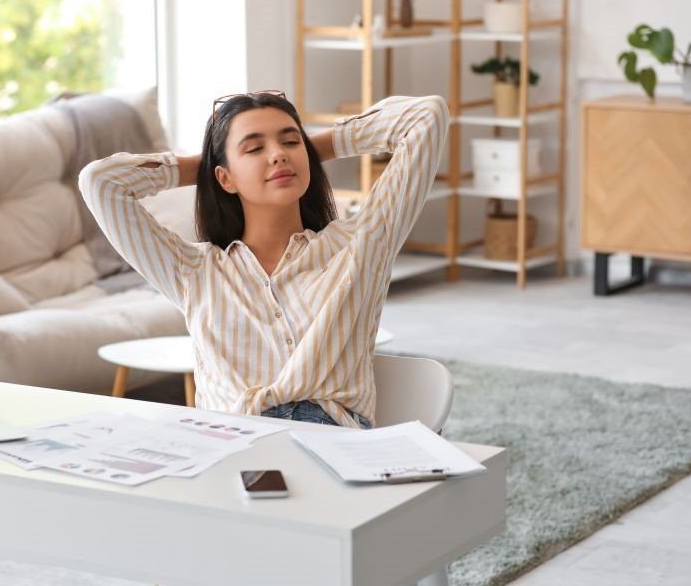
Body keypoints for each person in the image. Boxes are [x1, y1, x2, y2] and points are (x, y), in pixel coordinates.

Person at [80, 91, 448, 429]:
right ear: (224, 178)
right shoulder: (194, 271)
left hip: (331, 443)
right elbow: (100, 182)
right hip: (228, 441)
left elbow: (425, 117)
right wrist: (206, 166)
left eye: (290, 141)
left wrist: (316, 148)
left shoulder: (361, 245)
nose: (278, 153)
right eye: (254, 148)